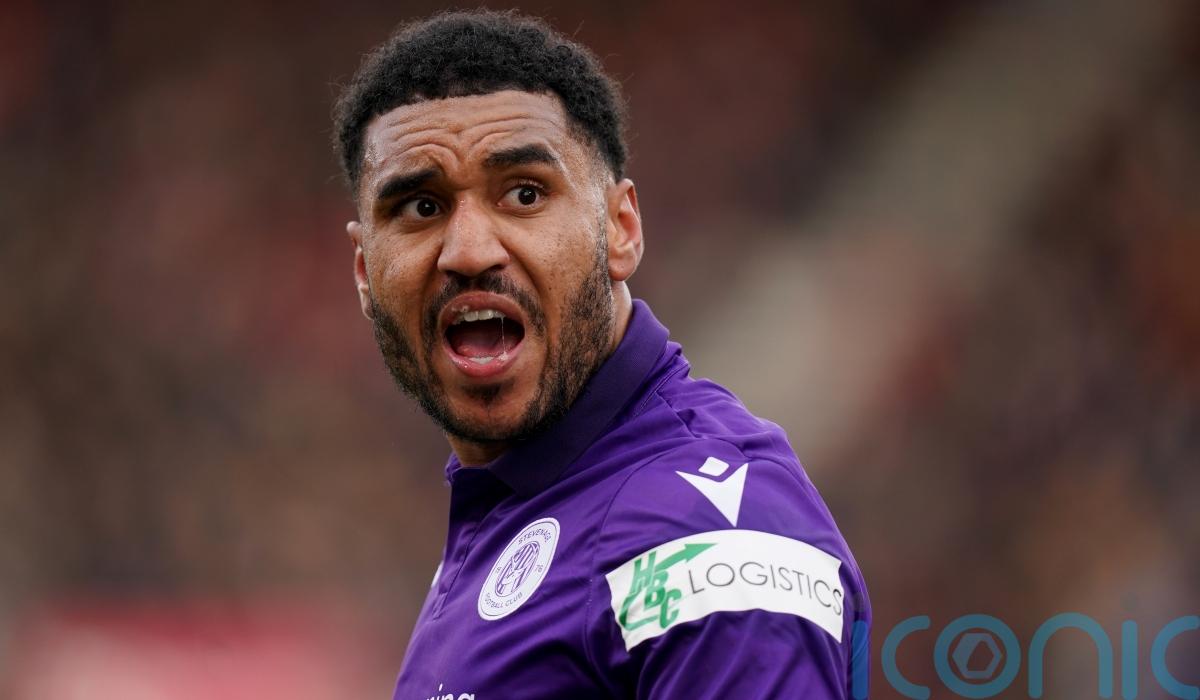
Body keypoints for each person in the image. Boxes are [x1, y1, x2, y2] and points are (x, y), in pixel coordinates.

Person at [332, 10, 870, 698]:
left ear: (620, 230)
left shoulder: (707, 546)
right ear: (364, 271)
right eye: (420, 208)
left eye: (524, 194)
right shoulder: (510, 503)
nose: (468, 252)